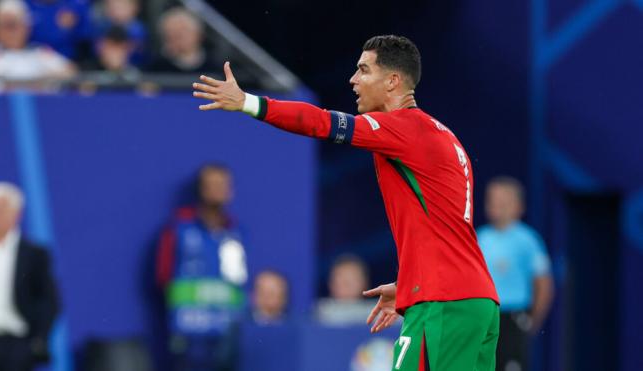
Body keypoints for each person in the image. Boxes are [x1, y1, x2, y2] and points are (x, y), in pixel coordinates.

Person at [192, 35, 500, 371]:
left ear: (392, 81)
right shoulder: (444, 136)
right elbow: (447, 230)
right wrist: (411, 281)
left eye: (364, 70)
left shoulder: (401, 128)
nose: (353, 80)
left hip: (444, 303)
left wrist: (248, 102)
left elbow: (320, 122)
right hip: (477, 301)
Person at [156, 164, 247, 371]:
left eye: (224, 185)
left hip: (228, 334)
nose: (219, 190)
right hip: (189, 333)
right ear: (201, 189)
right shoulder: (178, 228)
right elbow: (163, 276)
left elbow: (240, 278)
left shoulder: (237, 232)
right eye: (213, 185)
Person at [477, 176, 554, 371]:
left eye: (504, 202)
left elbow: (543, 284)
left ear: (518, 206)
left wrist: (531, 321)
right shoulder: (479, 238)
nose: (497, 207)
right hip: (484, 317)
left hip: (514, 317)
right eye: (493, 201)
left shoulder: (528, 240)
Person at [0, 182, 60, 371]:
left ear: (16, 214)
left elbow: (50, 301)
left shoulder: (34, 254)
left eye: (0, 210)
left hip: (18, 344)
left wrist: (38, 340)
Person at [0, 0, 75, 90]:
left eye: (14, 25)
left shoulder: (42, 53)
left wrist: (50, 77)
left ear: (27, 27)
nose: (11, 32)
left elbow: (72, 73)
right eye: (7, 25)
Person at [148, 7, 216, 74]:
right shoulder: (155, 68)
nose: (175, 38)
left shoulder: (215, 66)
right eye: (169, 34)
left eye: (181, 33)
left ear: (198, 35)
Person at [316, 254, 376, 325]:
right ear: (331, 284)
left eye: (350, 281)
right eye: (340, 281)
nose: (345, 285)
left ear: (364, 283)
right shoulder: (319, 315)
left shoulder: (378, 314)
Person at [25, 0, 93, 60]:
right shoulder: (23, 5)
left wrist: (72, 28)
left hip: (70, 61)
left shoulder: (75, 5)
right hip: (31, 60)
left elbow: (89, 37)